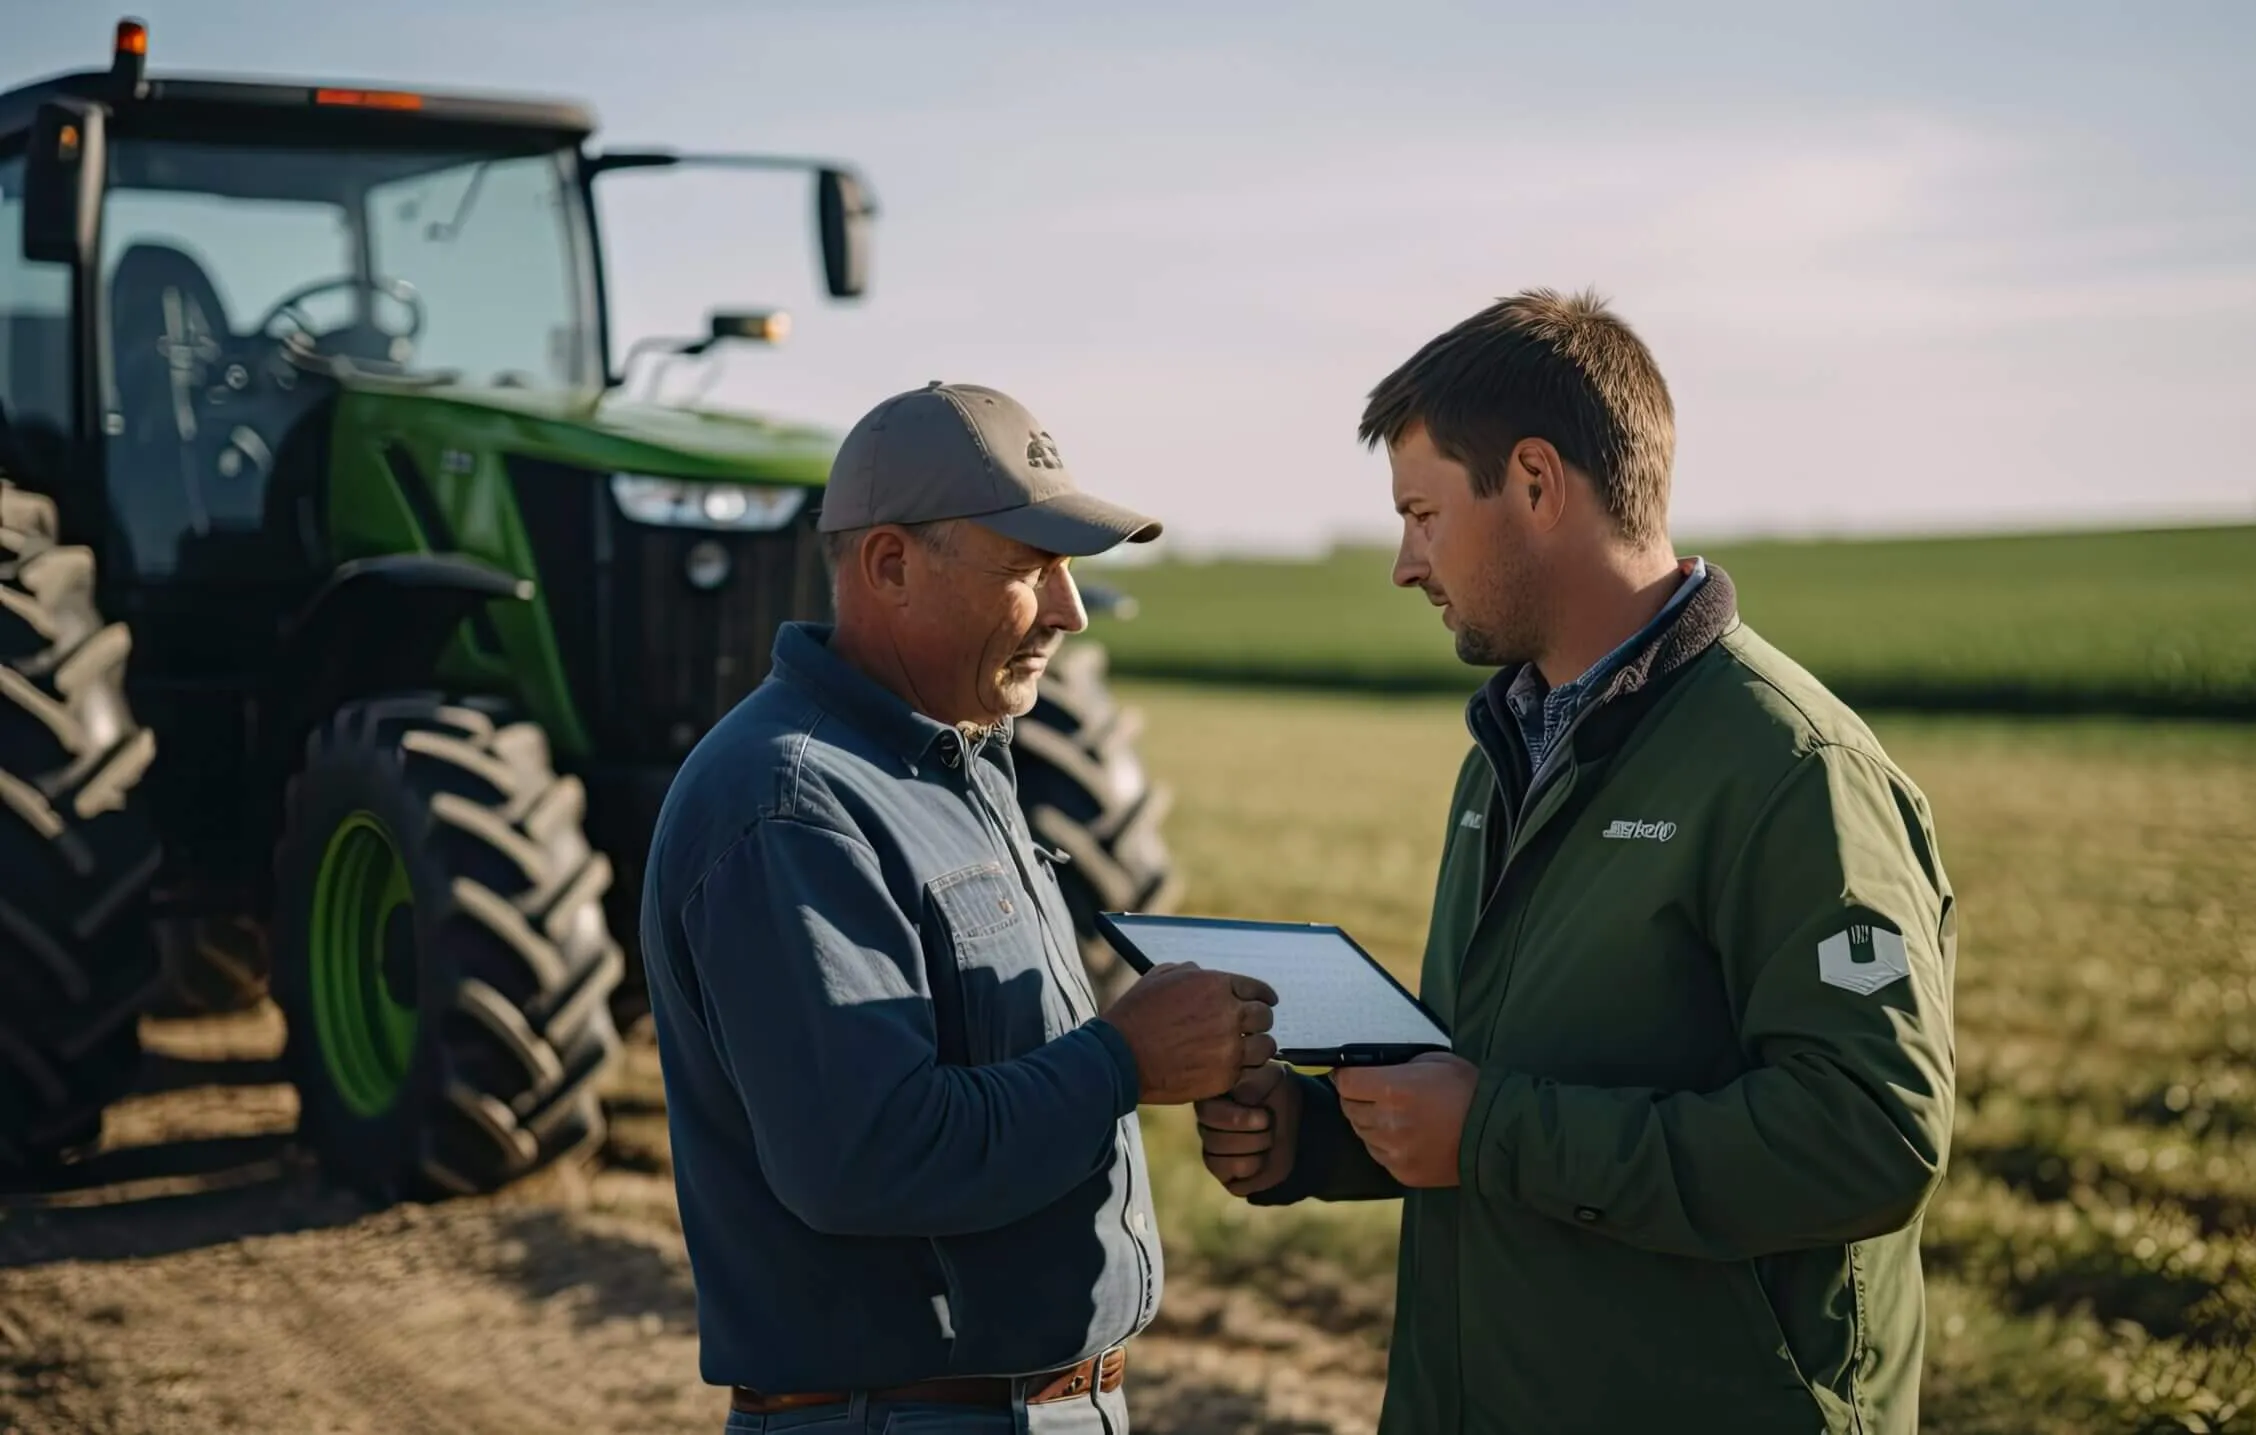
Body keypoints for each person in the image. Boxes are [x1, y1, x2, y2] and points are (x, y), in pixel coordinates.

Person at [1194, 290, 1960, 1434]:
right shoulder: (1508, 746)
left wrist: (1489, 1129)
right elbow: (1510, 1072)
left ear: (1538, 484)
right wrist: (1316, 1138)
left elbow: (1867, 1139)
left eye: (1423, 513)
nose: (1405, 563)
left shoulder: (1791, 770)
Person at [638, 380, 1279, 1435]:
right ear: (889, 564)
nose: (1069, 611)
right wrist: (1122, 1063)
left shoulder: (954, 763)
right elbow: (866, 1158)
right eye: (1031, 569)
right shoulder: (790, 806)